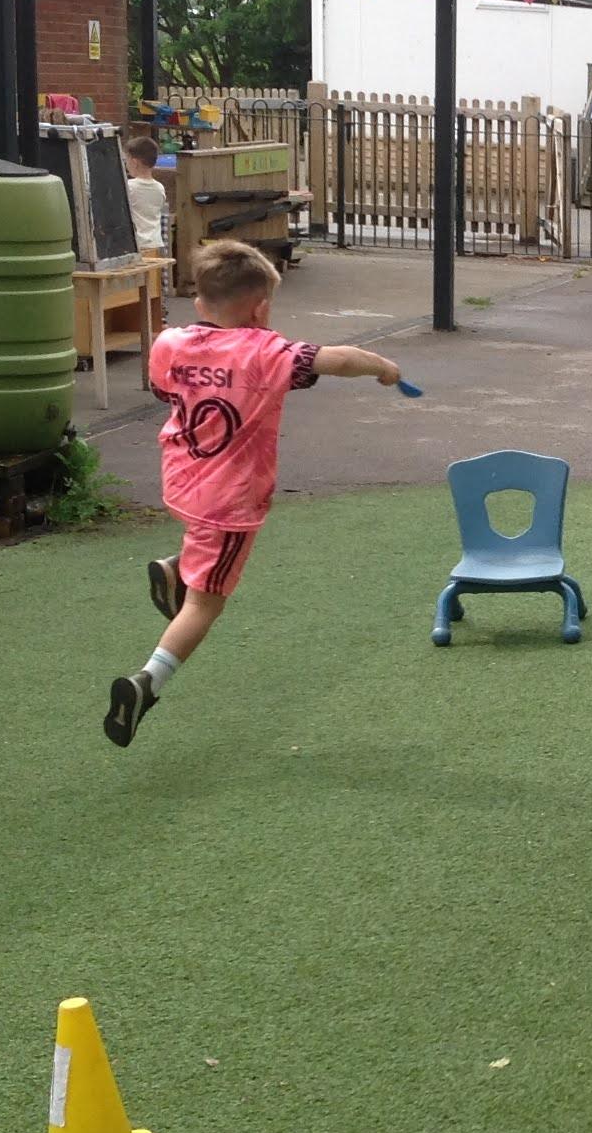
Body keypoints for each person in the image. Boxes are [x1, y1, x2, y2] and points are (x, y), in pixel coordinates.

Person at [105, 240, 407, 747]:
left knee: (203, 545)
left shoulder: (170, 343)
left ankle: (178, 568)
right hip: (229, 500)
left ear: (199, 302)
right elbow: (335, 360)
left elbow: (165, 390)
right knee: (206, 604)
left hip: (182, 480)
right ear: (262, 308)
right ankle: (147, 683)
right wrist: (382, 366)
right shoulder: (267, 353)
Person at [124, 135, 169, 254]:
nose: (126, 165)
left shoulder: (129, 187)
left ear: (134, 162)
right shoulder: (160, 188)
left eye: (126, 160)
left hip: (138, 246)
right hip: (156, 244)